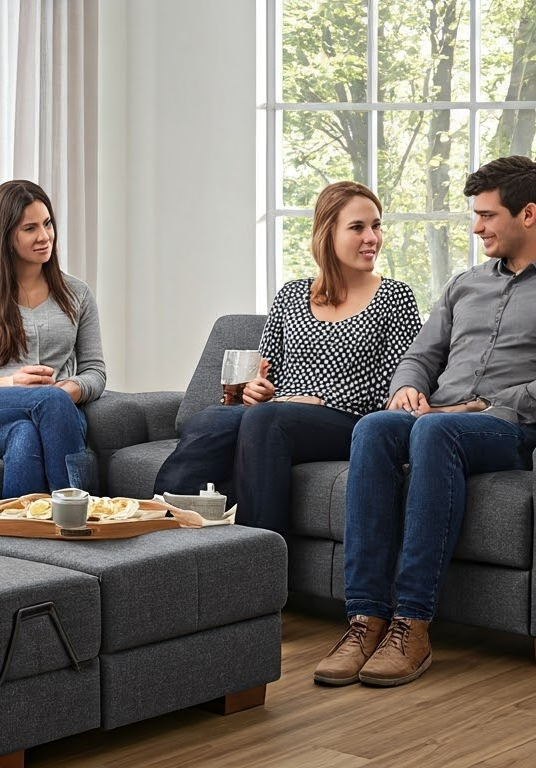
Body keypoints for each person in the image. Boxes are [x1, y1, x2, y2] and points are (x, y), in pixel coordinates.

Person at [314, 156, 536, 688]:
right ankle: (364, 620)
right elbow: (420, 357)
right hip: (440, 420)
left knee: (434, 429)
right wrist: (407, 387)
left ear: (528, 213)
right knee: (375, 427)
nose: (477, 228)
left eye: (486, 215)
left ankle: (413, 624)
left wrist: (474, 408)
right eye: (475, 215)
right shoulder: (464, 285)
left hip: (516, 430)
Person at [151, 181, 422, 533]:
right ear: (328, 233)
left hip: (348, 420)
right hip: (279, 416)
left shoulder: (394, 297)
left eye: (376, 225)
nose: (372, 237)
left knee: (267, 420)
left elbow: (396, 389)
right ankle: (164, 537)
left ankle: (258, 554)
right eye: (358, 227)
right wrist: (258, 391)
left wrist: (314, 400)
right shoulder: (292, 294)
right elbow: (264, 376)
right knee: (209, 421)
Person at [0, 179, 105, 497]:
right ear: (5, 236)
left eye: (47, 224)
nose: (44, 237)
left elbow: (95, 372)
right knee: (48, 404)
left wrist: (67, 390)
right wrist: (13, 383)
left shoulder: (77, 294)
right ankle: (79, 511)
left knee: (26, 434)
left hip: (57, 412)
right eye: (30, 229)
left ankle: (21, 535)